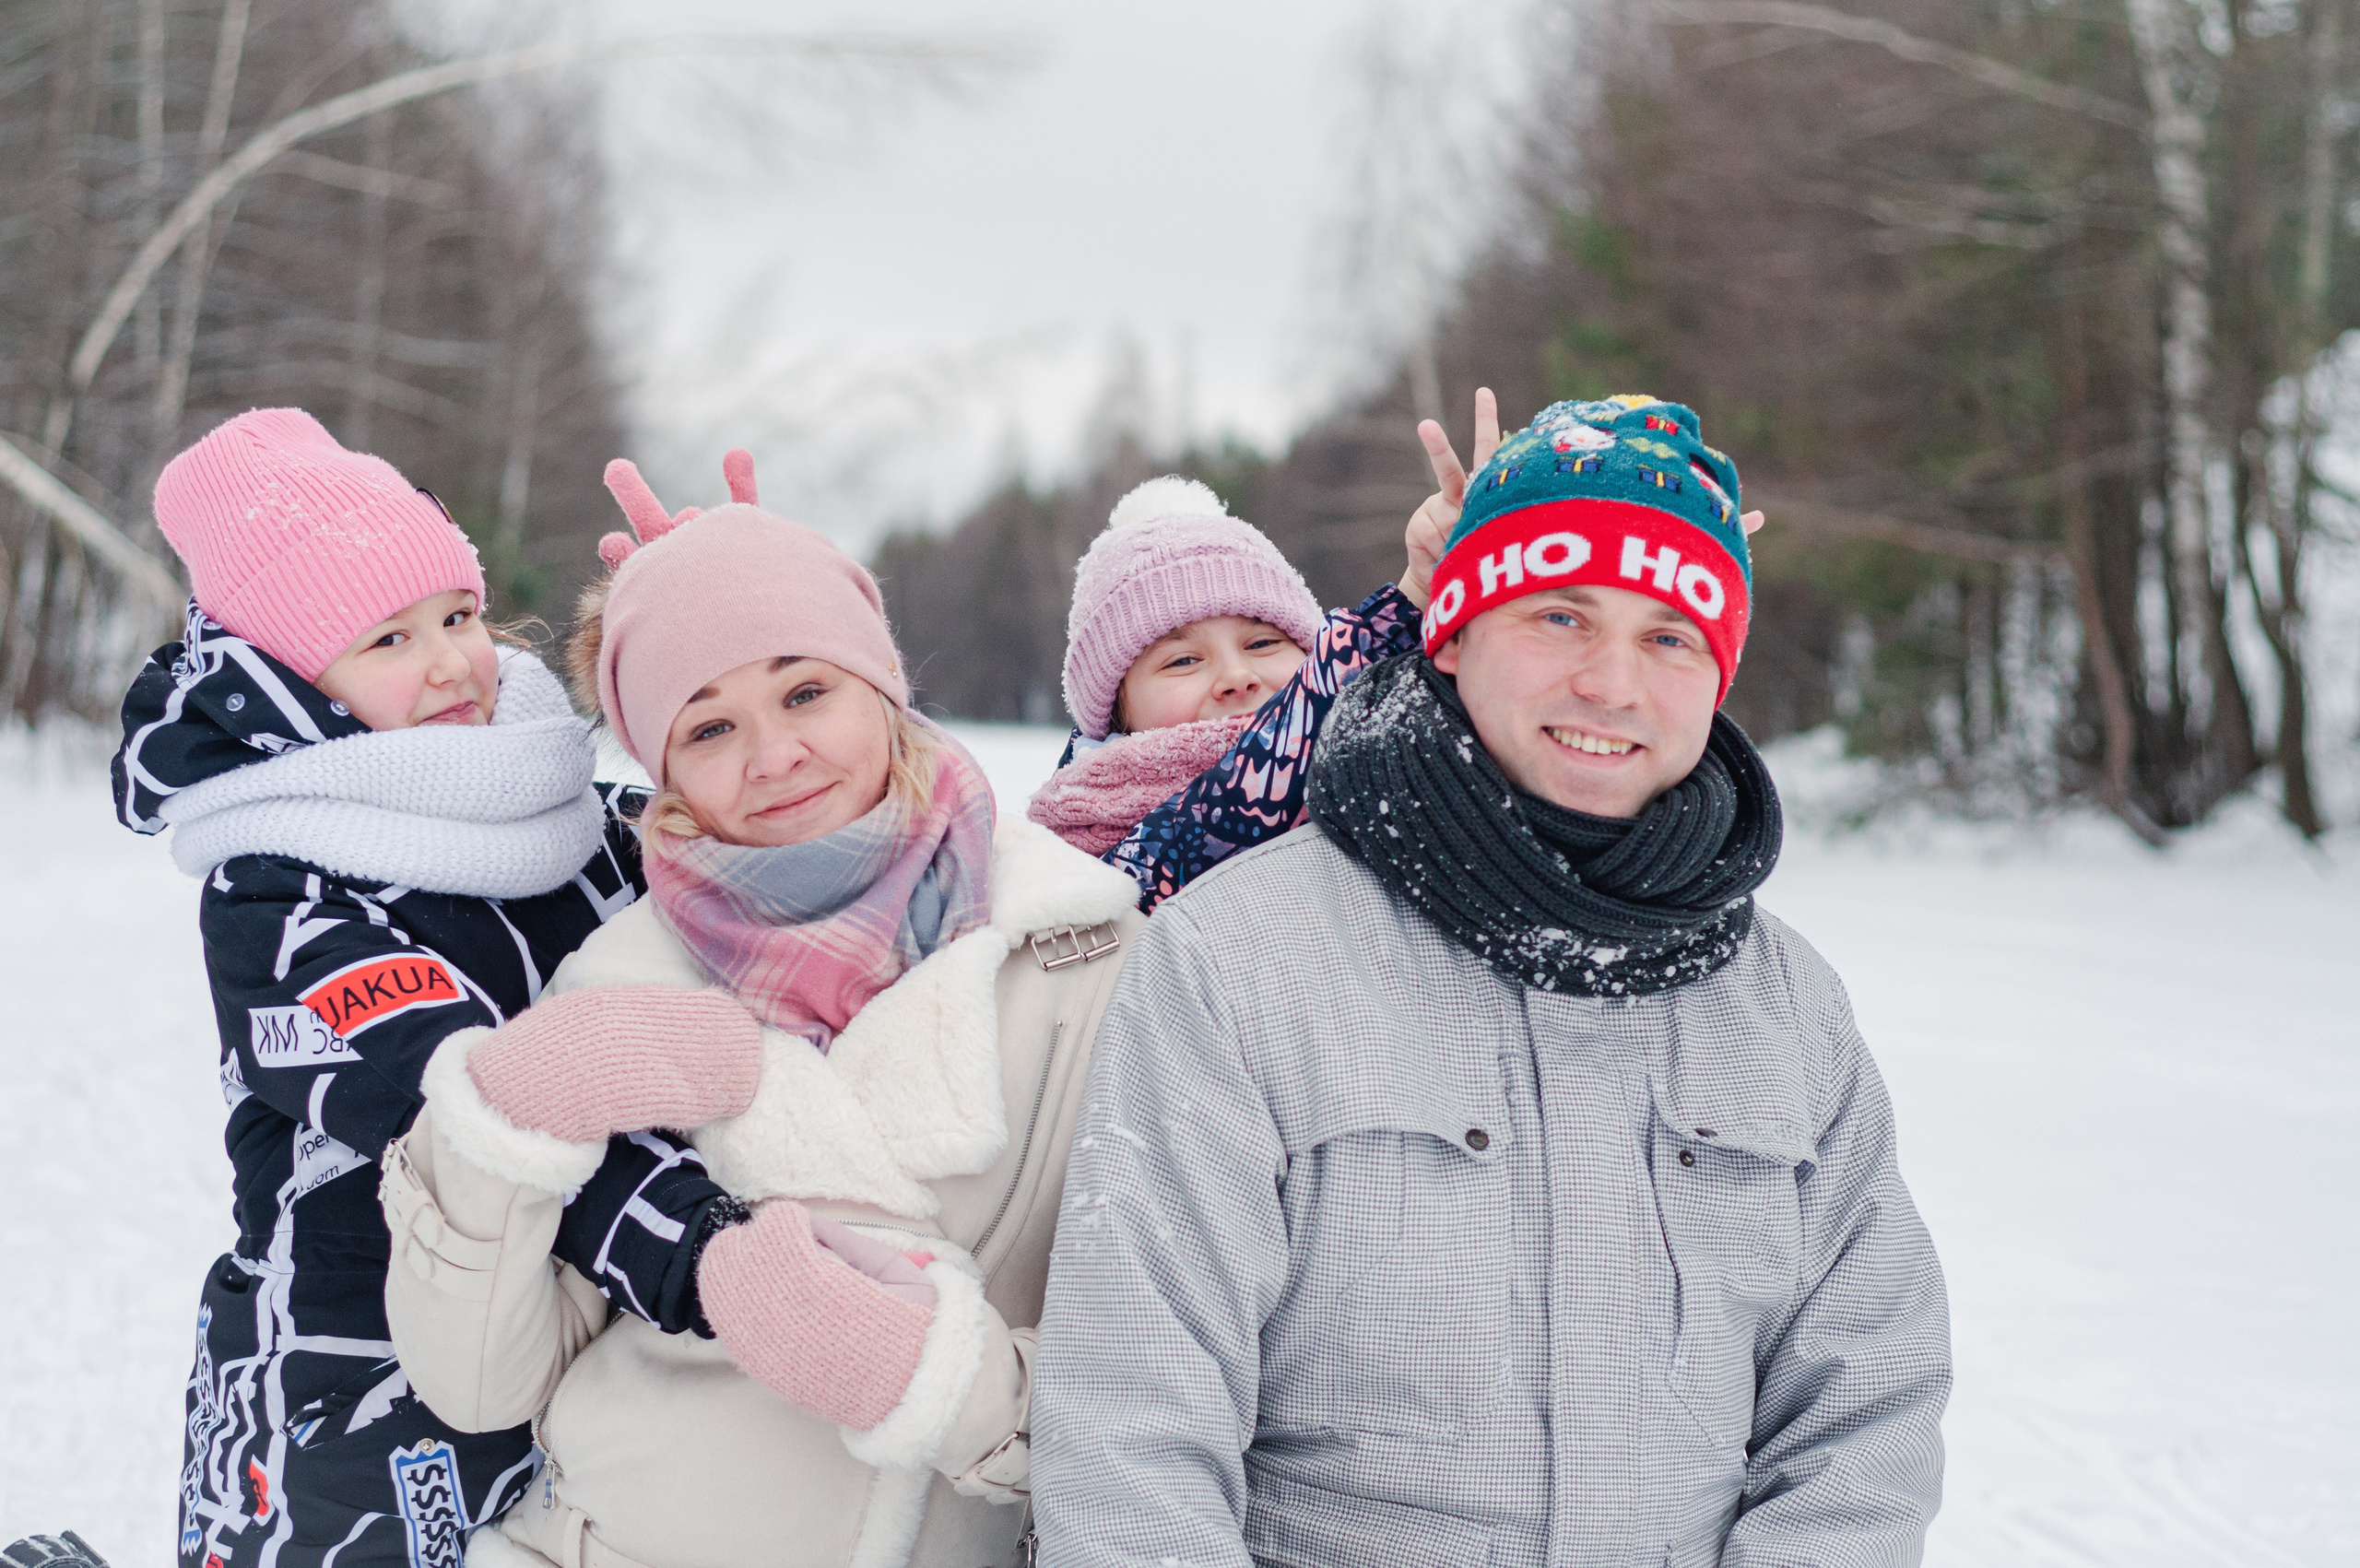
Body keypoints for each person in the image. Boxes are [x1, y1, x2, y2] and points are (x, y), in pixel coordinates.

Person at [1030, 395, 1953, 1565]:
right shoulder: (1236, 959)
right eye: (1560, 615)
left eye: (1669, 635)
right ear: (1451, 632)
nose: (1612, 683)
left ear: (1718, 675)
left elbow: (1864, 1407)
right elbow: (1129, 1429)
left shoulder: (1787, 1007)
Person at [375, 452, 1145, 1568]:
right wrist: (496, 1122)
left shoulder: (1085, 953)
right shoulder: (620, 983)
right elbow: (479, 1386)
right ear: (664, 769)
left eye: (803, 691)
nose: (774, 756)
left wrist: (934, 1379)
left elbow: (1177, 1391)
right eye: (709, 727)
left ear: (880, 683)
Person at [112, 409, 757, 1567]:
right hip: (356, 1377)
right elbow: (464, 1104)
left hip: (570, 1333)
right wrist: (697, 1253)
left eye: (457, 616)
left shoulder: (560, 815)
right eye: (389, 640)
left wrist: (734, 646)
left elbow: (775, 871)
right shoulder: (277, 889)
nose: (454, 661)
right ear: (290, 683)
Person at [1023, 474, 1424, 911]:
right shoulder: (1088, 861)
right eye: (1183, 661)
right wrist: (1399, 615)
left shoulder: (1391, 783)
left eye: (1262, 643)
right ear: (1116, 716)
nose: (1236, 675)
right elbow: (1229, 813)